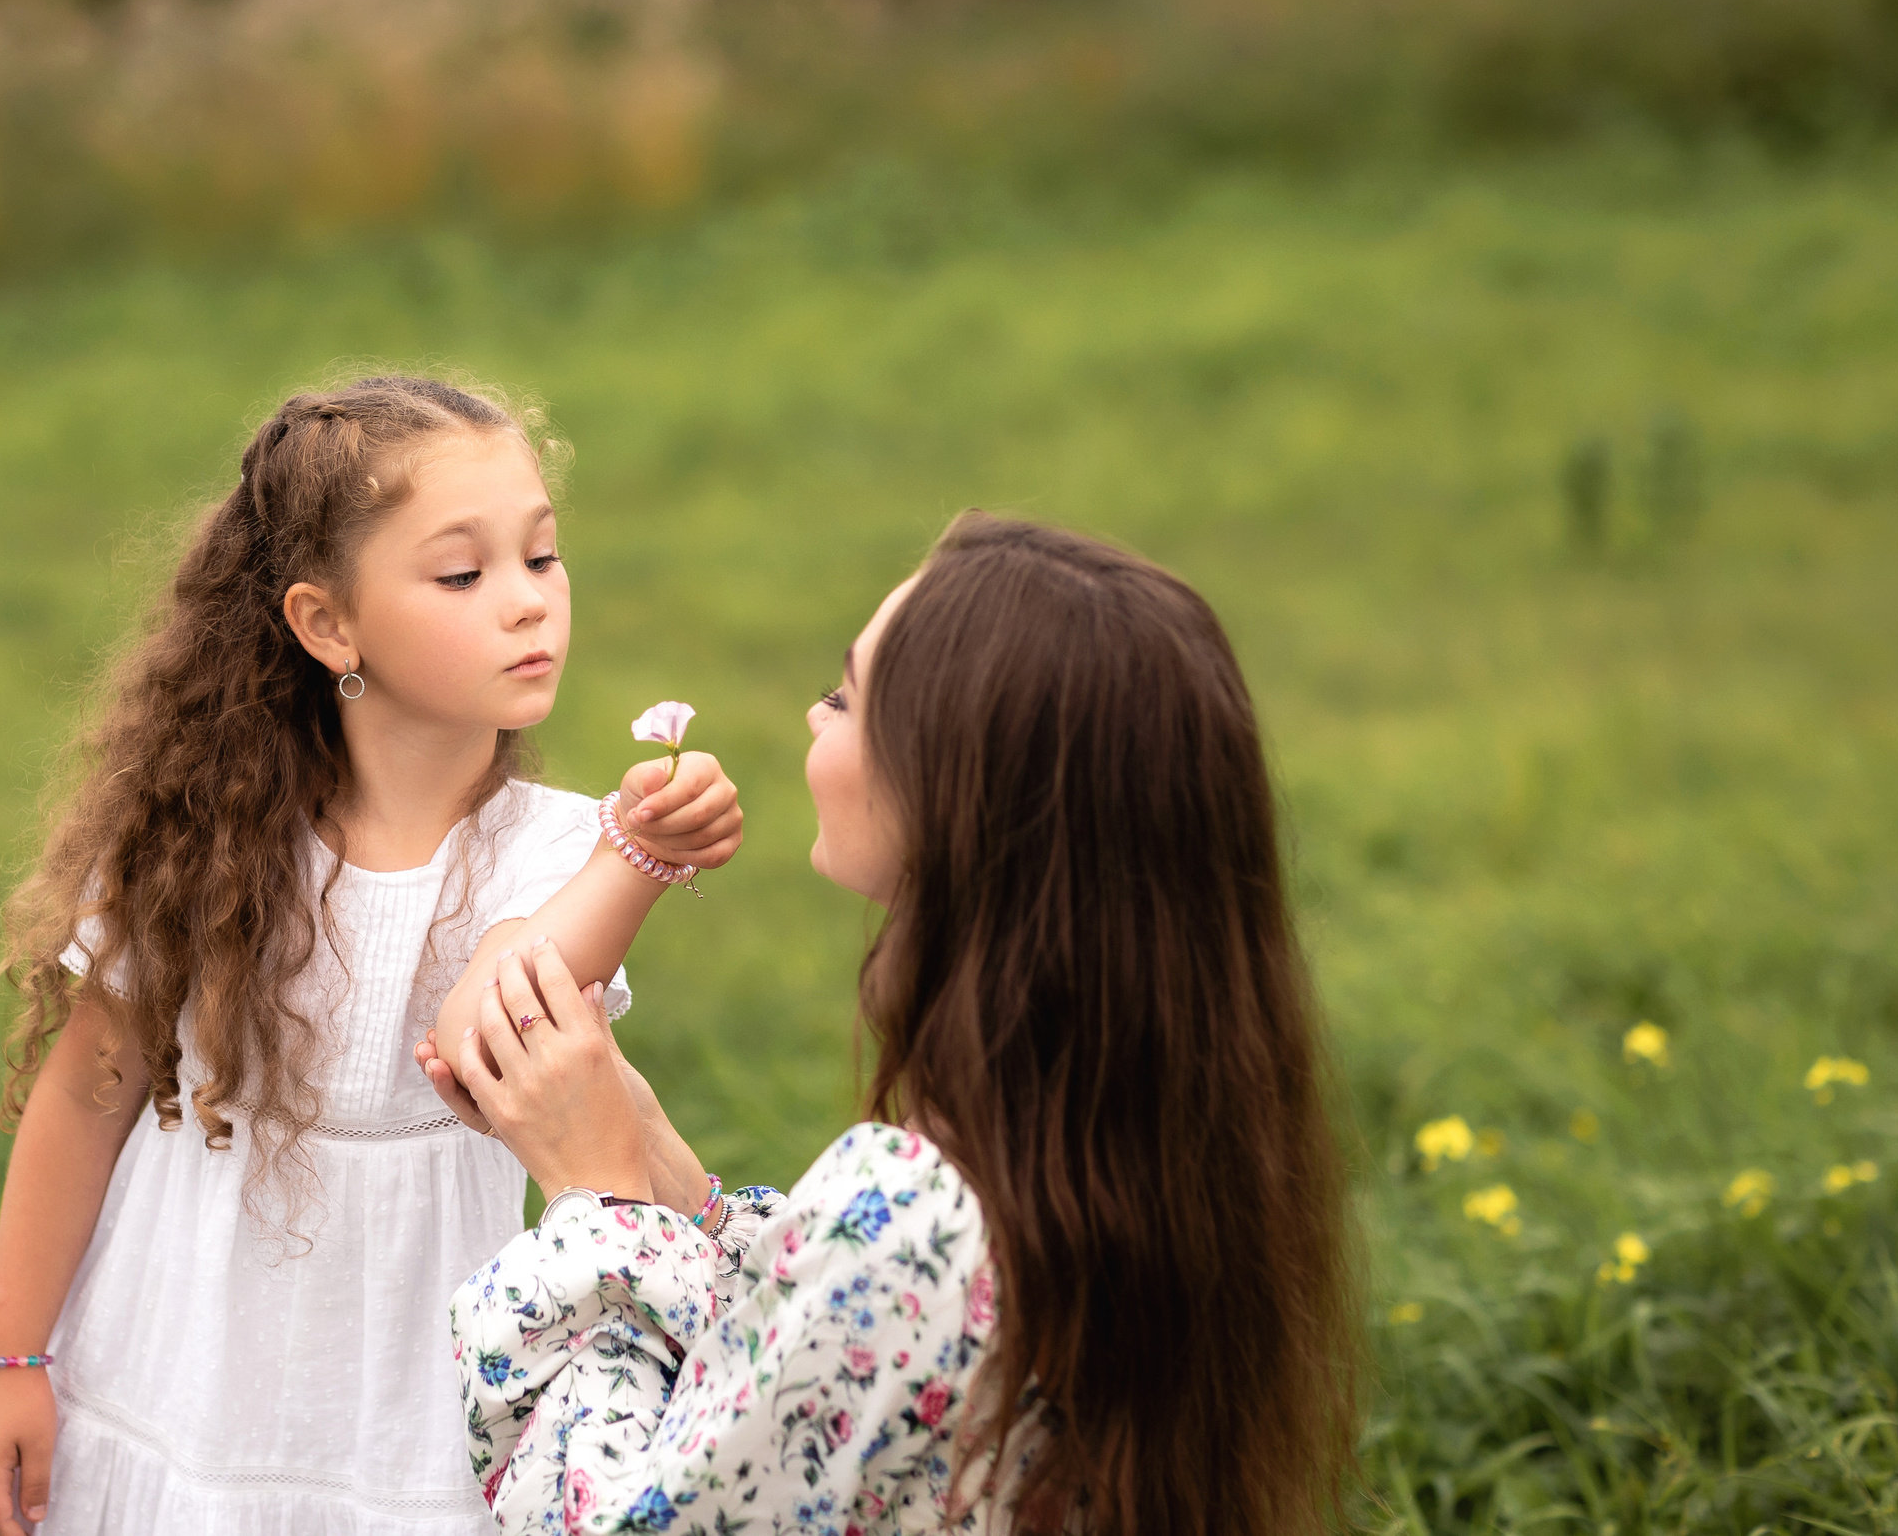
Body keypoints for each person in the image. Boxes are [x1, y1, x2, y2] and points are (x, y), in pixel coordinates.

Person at [425, 511, 1360, 1536]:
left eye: (844, 698)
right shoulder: (1138, 1148)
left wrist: (594, 1204)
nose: (813, 717)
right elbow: (824, 1384)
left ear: (959, 788)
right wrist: (665, 1180)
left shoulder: (913, 1211)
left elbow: (622, 1519)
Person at [0, 374, 744, 1535]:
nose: (527, 604)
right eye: (464, 574)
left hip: (403, 1422)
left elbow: (489, 1026)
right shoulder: (200, 838)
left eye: (543, 559)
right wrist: (13, 1357)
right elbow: (85, 1094)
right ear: (327, 625)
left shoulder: (561, 850)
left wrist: (636, 856)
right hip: (161, 1372)